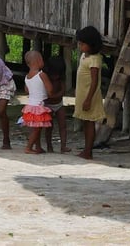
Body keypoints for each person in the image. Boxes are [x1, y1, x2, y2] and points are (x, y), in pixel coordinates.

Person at [74, 25, 106, 160]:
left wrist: (88, 99)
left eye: (82, 44)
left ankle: (88, 151)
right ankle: (87, 150)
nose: (80, 46)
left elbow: (94, 82)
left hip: (90, 96)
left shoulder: (94, 60)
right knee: (86, 122)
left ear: (91, 44)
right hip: (83, 94)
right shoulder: (84, 56)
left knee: (90, 123)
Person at [22, 51, 53, 154]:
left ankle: (38, 147)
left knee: (36, 128)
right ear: (38, 61)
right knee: (37, 129)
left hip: (31, 105)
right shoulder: (42, 75)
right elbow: (50, 90)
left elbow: (27, 90)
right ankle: (28, 147)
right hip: (38, 106)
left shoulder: (27, 77)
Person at [43, 54, 71, 153]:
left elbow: (62, 91)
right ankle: (49, 146)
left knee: (63, 125)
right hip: (48, 105)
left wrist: (54, 96)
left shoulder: (61, 79)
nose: (56, 77)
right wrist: (51, 97)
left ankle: (63, 146)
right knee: (49, 127)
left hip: (59, 104)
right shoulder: (45, 77)